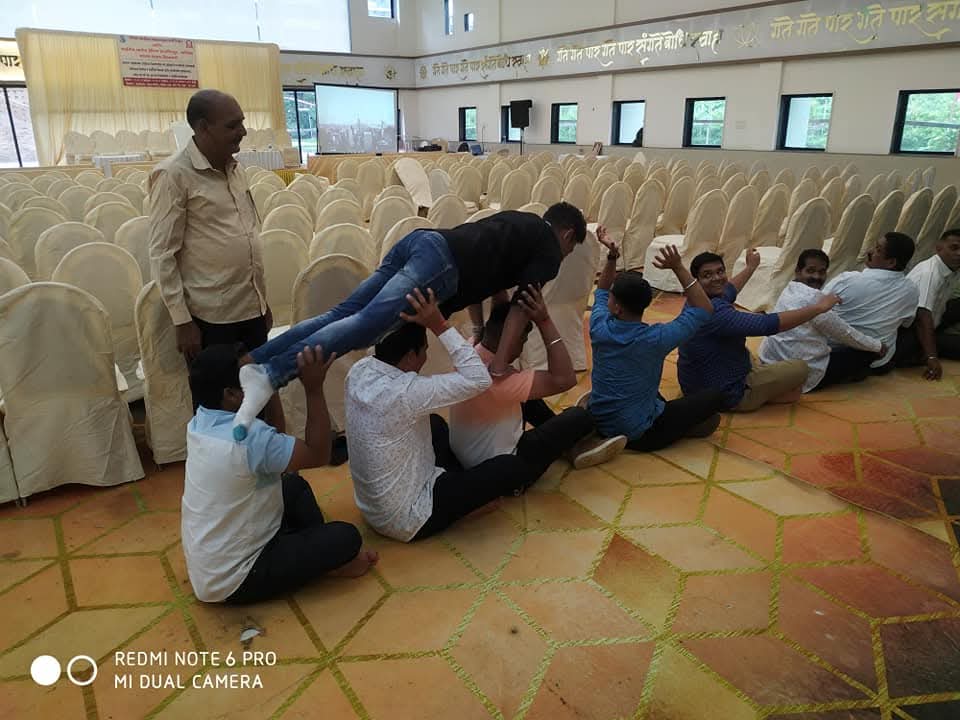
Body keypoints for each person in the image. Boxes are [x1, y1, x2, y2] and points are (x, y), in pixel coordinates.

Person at [233, 203, 588, 440]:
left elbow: (490, 280)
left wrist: (480, 330)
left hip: (423, 241)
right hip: (441, 265)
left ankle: (253, 360)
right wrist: (497, 366)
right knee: (366, 326)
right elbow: (522, 308)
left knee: (341, 314)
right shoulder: (549, 251)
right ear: (568, 235)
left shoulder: (522, 223)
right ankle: (270, 375)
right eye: (570, 249)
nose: (565, 255)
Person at [182, 343, 377, 605]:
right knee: (347, 537)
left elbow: (275, 437)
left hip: (210, 569)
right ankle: (327, 562)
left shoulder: (200, 421)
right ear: (230, 394)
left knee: (294, 486)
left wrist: (267, 387)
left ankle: (316, 555)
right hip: (237, 578)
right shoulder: (249, 438)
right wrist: (313, 389)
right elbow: (318, 455)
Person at [345, 288, 544, 542]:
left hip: (374, 506)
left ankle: (458, 490)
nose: (426, 357)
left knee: (435, 423)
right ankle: (462, 510)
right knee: (510, 467)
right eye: (424, 351)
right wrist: (439, 325)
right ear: (410, 356)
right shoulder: (407, 392)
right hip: (408, 517)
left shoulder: (360, 369)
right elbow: (479, 379)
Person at [149, 89, 282, 424]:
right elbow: (162, 254)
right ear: (202, 128)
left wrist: (261, 301)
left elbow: (246, 238)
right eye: (232, 125)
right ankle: (225, 459)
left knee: (259, 396)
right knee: (219, 411)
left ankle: (262, 455)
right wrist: (182, 321)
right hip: (211, 318)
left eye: (242, 123)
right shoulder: (173, 175)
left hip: (250, 309)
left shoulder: (236, 169)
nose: (243, 132)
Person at [449, 284, 626, 474]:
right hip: (503, 464)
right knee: (580, 417)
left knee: (529, 398)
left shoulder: (471, 349)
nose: (522, 348)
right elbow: (565, 379)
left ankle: (569, 447)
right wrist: (544, 320)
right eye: (523, 341)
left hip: (471, 451)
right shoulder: (500, 381)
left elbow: (500, 310)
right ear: (512, 340)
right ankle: (570, 447)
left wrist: (502, 287)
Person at [585, 235, 724, 451]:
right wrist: (678, 267)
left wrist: (612, 257)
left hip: (601, 420)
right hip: (640, 435)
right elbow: (705, 309)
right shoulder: (657, 338)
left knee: (650, 392)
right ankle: (681, 428)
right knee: (714, 397)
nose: (606, 298)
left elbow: (601, 291)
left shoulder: (599, 326)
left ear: (617, 307)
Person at [678, 249, 839, 411]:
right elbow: (768, 324)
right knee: (801, 368)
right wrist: (819, 308)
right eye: (707, 275)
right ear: (696, 281)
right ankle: (753, 397)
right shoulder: (717, 314)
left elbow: (730, 289)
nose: (717, 278)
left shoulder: (698, 299)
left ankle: (763, 387)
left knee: (746, 352)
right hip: (726, 394)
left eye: (720, 272)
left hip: (695, 385)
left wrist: (751, 267)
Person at [759, 249, 884, 391]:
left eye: (822, 272)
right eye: (810, 271)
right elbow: (845, 333)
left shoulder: (790, 287)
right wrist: (878, 346)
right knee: (866, 353)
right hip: (802, 374)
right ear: (798, 271)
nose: (816, 277)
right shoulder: (816, 301)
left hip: (770, 361)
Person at [822, 232, 919, 375]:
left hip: (835, 354)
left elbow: (816, 309)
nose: (869, 251)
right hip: (878, 361)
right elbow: (906, 324)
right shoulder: (911, 289)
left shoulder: (847, 280)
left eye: (877, 250)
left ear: (891, 262)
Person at [896, 229, 960, 380]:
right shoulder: (929, 273)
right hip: (910, 331)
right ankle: (923, 350)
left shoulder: (953, 269)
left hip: (935, 318)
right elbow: (922, 316)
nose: (959, 253)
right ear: (939, 247)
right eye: (954, 248)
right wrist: (931, 357)